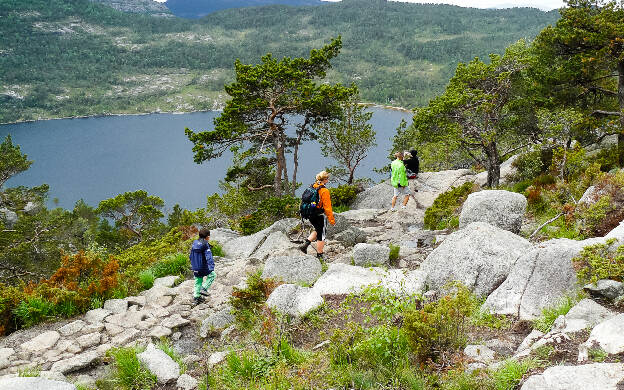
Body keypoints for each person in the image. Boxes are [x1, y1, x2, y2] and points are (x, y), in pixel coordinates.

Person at [299, 170, 336, 260]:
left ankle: (305, 245)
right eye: (327, 178)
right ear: (325, 179)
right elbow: (327, 208)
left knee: (317, 229)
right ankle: (320, 254)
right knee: (321, 234)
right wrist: (331, 220)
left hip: (310, 213)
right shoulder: (324, 190)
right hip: (319, 214)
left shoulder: (313, 186)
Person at [189, 228, 215, 305]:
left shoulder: (195, 243)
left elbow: (191, 256)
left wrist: (193, 265)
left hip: (195, 267)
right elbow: (209, 257)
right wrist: (211, 266)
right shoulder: (205, 244)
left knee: (198, 281)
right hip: (202, 266)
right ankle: (203, 289)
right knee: (212, 275)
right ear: (207, 236)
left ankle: (196, 298)